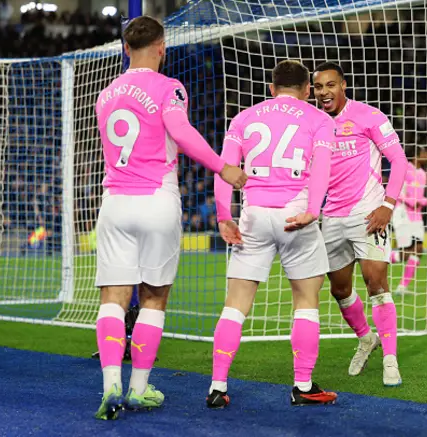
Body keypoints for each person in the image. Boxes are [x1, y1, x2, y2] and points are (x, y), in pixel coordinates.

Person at [92, 15, 246, 420]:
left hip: (114, 202)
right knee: (154, 297)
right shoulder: (169, 87)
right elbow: (180, 130)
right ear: (162, 47)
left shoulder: (105, 94)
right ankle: (138, 390)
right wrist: (221, 166)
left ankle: (110, 385)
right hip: (156, 199)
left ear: (126, 48)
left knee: (112, 297)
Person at [207, 59, 337, 409]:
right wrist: (314, 209)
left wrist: (223, 216)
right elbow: (321, 168)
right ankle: (303, 385)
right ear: (308, 90)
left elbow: (226, 168)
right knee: (306, 302)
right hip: (296, 215)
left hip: (253, 217)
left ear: (271, 88)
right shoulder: (320, 119)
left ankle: (217, 386)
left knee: (235, 305)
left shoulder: (244, 118)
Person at [312, 62, 408, 386]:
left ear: (343, 85)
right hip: (332, 216)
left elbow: (399, 160)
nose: (324, 92)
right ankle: (366, 338)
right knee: (340, 289)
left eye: (330, 85)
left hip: (369, 212)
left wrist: (387, 205)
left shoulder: (369, 116)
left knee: (376, 281)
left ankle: (390, 360)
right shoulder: (314, 124)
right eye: (318, 87)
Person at [389, 146, 427, 294]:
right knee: (406, 252)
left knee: (418, 250)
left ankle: (402, 287)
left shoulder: (422, 174)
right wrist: (409, 201)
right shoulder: (405, 169)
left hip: (416, 216)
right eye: (424, 153)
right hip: (402, 214)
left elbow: (418, 198)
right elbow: (394, 191)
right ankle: (380, 258)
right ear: (417, 155)